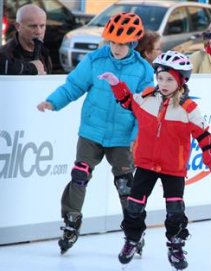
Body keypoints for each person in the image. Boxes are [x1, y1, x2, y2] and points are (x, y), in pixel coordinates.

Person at [99, 50, 211, 271]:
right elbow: (128, 101)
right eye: (160, 78)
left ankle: (176, 247)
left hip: (173, 168)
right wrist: (116, 84)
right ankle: (133, 238)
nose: (164, 83)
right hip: (146, 164)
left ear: (181, 81)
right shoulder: (148, 98)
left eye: (169, 79)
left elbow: (205, 138)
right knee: (134, 206)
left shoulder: (188, 109)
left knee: (175, 210)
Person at [36, 12, 154, 255]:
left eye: (122, 43)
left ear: (132, 43)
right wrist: (52, 102)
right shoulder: (95, 60)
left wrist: (135, 136)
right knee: (80, 174)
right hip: (92, 131)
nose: (116, 47)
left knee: (125, 185)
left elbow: (145, 108)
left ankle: (134, 230)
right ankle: (71, 222)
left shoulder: (143, 70)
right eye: (112, 42)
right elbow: (74, 86)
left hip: (122, 137)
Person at [0, 4, 52, 74]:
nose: (38, 32)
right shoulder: (6, 54)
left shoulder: (44, 53)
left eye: (42, 26)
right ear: (18, 27)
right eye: (33, 26)